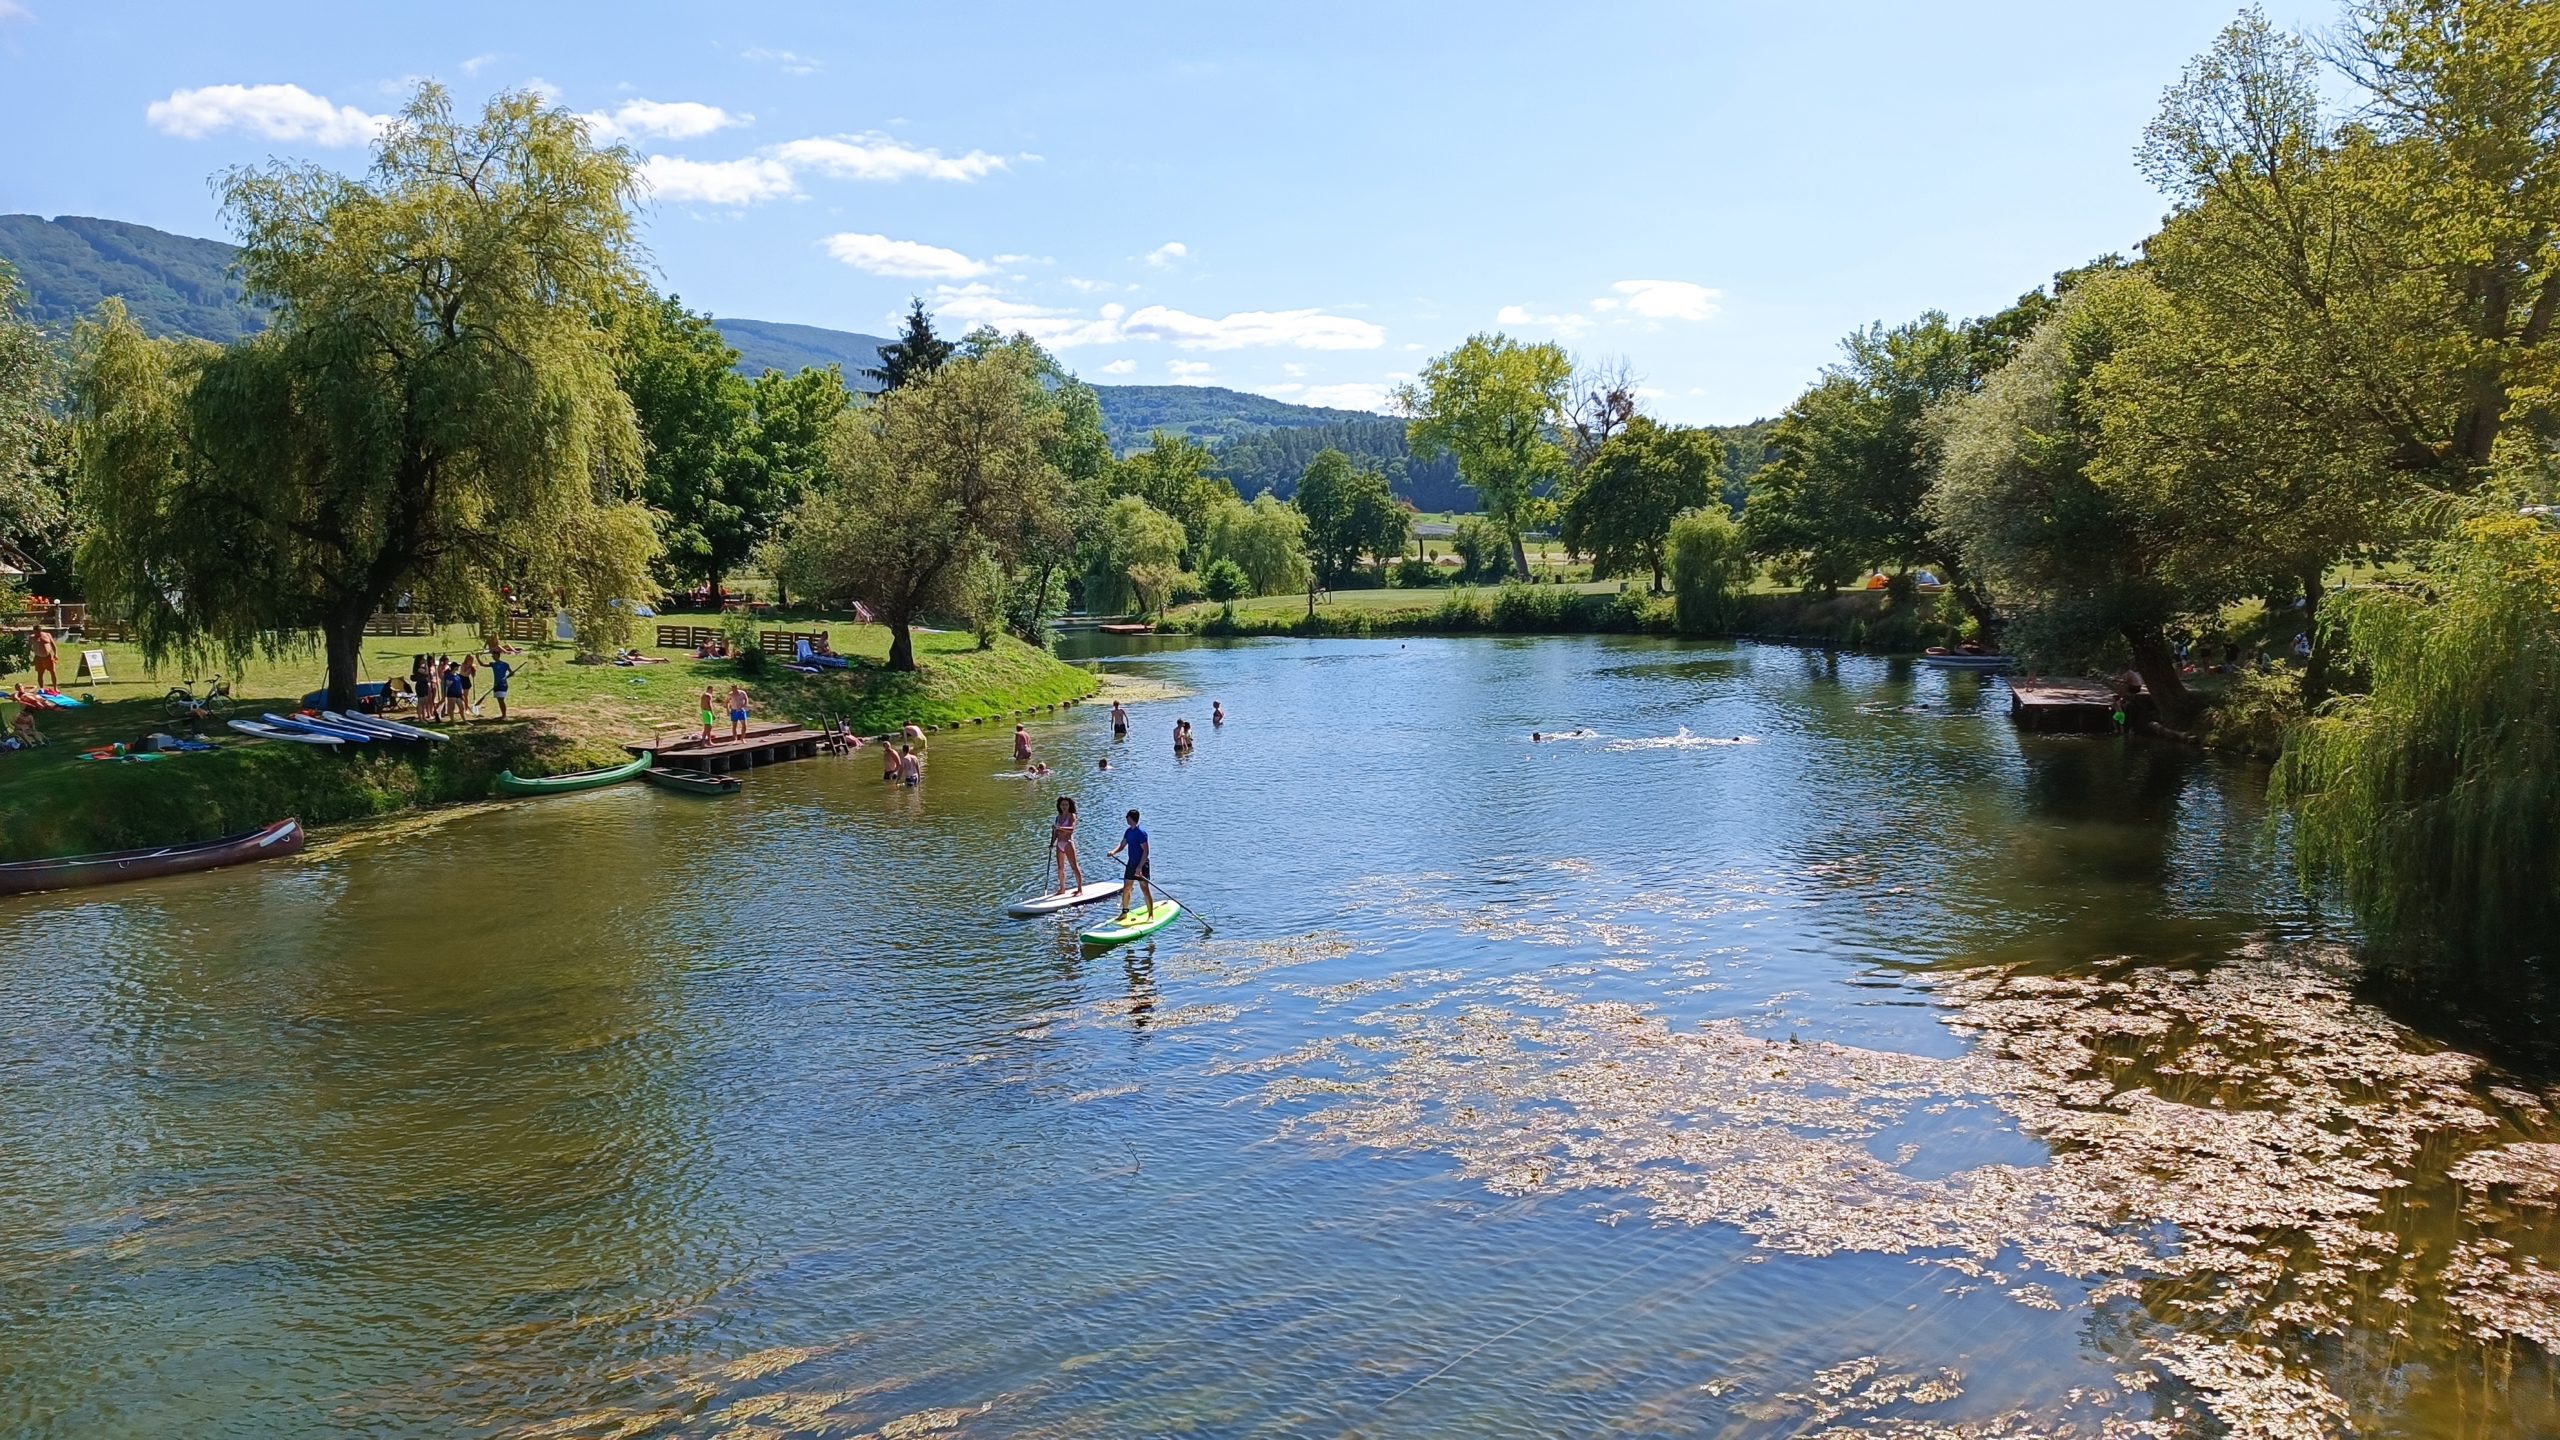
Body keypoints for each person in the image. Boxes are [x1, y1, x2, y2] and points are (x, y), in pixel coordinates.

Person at [1108, 807, 1156, 920]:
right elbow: (1122, 844)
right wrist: (1113, 852)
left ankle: (1150, 915)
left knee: (1144, 888)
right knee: (1126, 888)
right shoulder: (1128, 831)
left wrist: (1139, 867)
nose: (1126, 819)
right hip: (1131, 863)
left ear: (1132, 818)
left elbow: (1146, 851)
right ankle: (1124, 912)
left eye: (1127, 818)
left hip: (1142, 864)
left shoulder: (1141, 833)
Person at [1051, 796, 1084, 895]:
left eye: (1066, 805)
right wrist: (1051, 843)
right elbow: (1055, 833)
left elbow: (1071, 829)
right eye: (1062, 805)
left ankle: (1080, 890)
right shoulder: (1058, 817)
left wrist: (1060, 827)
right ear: (1059, 806)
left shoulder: (1072, 816)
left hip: (1068, 843)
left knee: (1074, 866)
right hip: (1059, 844)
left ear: (1069, 805)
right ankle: (1062, 888)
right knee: (1060, 868)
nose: (1064, 807)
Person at [486, 653, 513, 719]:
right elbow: (482, 665)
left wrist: (506, 677)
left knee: (501, 700)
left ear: (498, 656)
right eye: (492, 656)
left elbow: (511, 673)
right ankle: (503, 715)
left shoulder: (505, 664)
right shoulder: (493, 664)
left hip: (503, 684)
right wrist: (478, 658)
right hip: (496, 684)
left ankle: (504, 715)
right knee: (499, 700)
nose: (492, 657)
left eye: (494, 655)